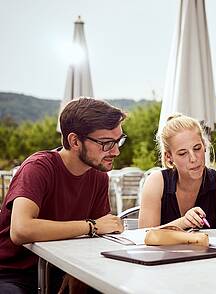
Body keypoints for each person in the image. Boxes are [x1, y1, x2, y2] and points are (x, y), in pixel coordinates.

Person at [0, 98, 126, 293]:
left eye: (118, 141)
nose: (116, 151)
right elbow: (21, 230)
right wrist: (91, 225)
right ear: (74, 141)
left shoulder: (99, 176)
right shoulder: (39, 168)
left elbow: (98, 237)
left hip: (61, 270)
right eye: (106, 143)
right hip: (13, 273)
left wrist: (78, 271)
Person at [138, 114, 216, 231]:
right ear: (168, 157)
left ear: (205, 145)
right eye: (183, 153)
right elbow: (143, 238)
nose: (193, 158)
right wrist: (183, 223)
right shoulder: (156, 182)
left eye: (197, 148)